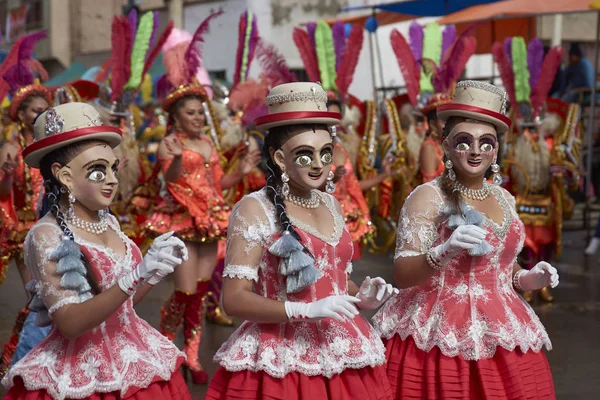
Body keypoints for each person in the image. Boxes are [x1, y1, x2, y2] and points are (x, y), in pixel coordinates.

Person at [205, 82, 397, 400]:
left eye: (325, 152)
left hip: (344, 347)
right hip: (281, 356)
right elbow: (233, 300)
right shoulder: (255, 208)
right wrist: (305, 311)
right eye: (305, 155)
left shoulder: (330, 202)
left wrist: (361, 296)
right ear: (280, 158)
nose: (320, 164)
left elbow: (334, 281)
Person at [373, 80, 559, 399]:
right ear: (445, 145)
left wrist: (529, 278)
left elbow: (503, 269)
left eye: (486, 142)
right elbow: (402, 274)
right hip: (436, 335)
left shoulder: (503, 198)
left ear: (497, 149)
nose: (476, 151)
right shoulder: (426, 198)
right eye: (464, 141)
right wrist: (442, 253)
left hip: (503, 329)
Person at [1, 102, 191, 400]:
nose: (113, 179)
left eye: (113, 168)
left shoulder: (109, 221)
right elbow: (70, 323)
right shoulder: (46, 235)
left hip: (135, 357)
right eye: (98, 172)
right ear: (64, 176)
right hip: (79, 372)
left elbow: (120, 305)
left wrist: (152, 274)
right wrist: (134, 276)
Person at [145, 22, 260, 384]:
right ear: (175, 116)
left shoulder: (209, 145)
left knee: (200, 298)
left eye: (200, 112)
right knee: (184, 290)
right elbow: (171, 180)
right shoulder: (169, 144)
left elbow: (217, 184)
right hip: (180, 219)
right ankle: (165, 347)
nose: (197, 117)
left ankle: (191, 357)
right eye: (190, 112)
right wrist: (177, 157)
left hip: (208, 221)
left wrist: (239, 171)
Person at [0, 31, 52, 378]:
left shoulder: (47, 146)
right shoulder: (9, 146)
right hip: (11, 227)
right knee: (38, 295)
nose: (40, 115)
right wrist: (5, 173)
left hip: (40, 227)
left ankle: (16, 357)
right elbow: (4, 189)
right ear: (21, 114)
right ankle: (15, 359)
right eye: (35, 110)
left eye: (44, 111)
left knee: (40, 295)